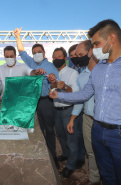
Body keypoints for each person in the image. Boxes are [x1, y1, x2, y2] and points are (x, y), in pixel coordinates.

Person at [49, 19, 121, 185]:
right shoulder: (99, 68)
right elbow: (84, 94)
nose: (93, 50)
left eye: (96, 44)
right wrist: (59, 96)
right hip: (98, 131)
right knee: (108, 176)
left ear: (112, 38)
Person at [14, 27, 60, 168]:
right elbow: (21, 52)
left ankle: (52, 157)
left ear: (44, 53)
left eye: (39, 52)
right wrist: (17, 37)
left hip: (46, 102)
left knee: (49, 130)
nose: (36, 54)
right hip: (32, 102)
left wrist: (52, 80)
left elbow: (57, 85)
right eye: (34, 53)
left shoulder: (51, 66)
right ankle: (39, 155)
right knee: (35, 130)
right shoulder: (32, 63)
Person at [67, 42, 101, 185]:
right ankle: (94, 179)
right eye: (76, 55)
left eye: (81, 55)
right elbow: (80, 100)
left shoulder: (106, 70)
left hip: (104, 121)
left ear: (91, 51)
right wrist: (72, 119)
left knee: (107, 153)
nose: (78, 58)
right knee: (91, 152)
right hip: (88, 118)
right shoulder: (81, 77)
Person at [48, 47, 80, 176]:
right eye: (54, 57)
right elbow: (51, 93)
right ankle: (65, 154)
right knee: (61, 136)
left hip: (68, 110)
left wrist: (65, 86)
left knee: (71, 139)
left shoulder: (72, 73)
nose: (56, 59)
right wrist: (53, 85)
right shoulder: (52, 74)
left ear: (65, 58)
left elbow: (76, 92)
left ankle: (71, 165)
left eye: (59, 57)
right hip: (56, 110)